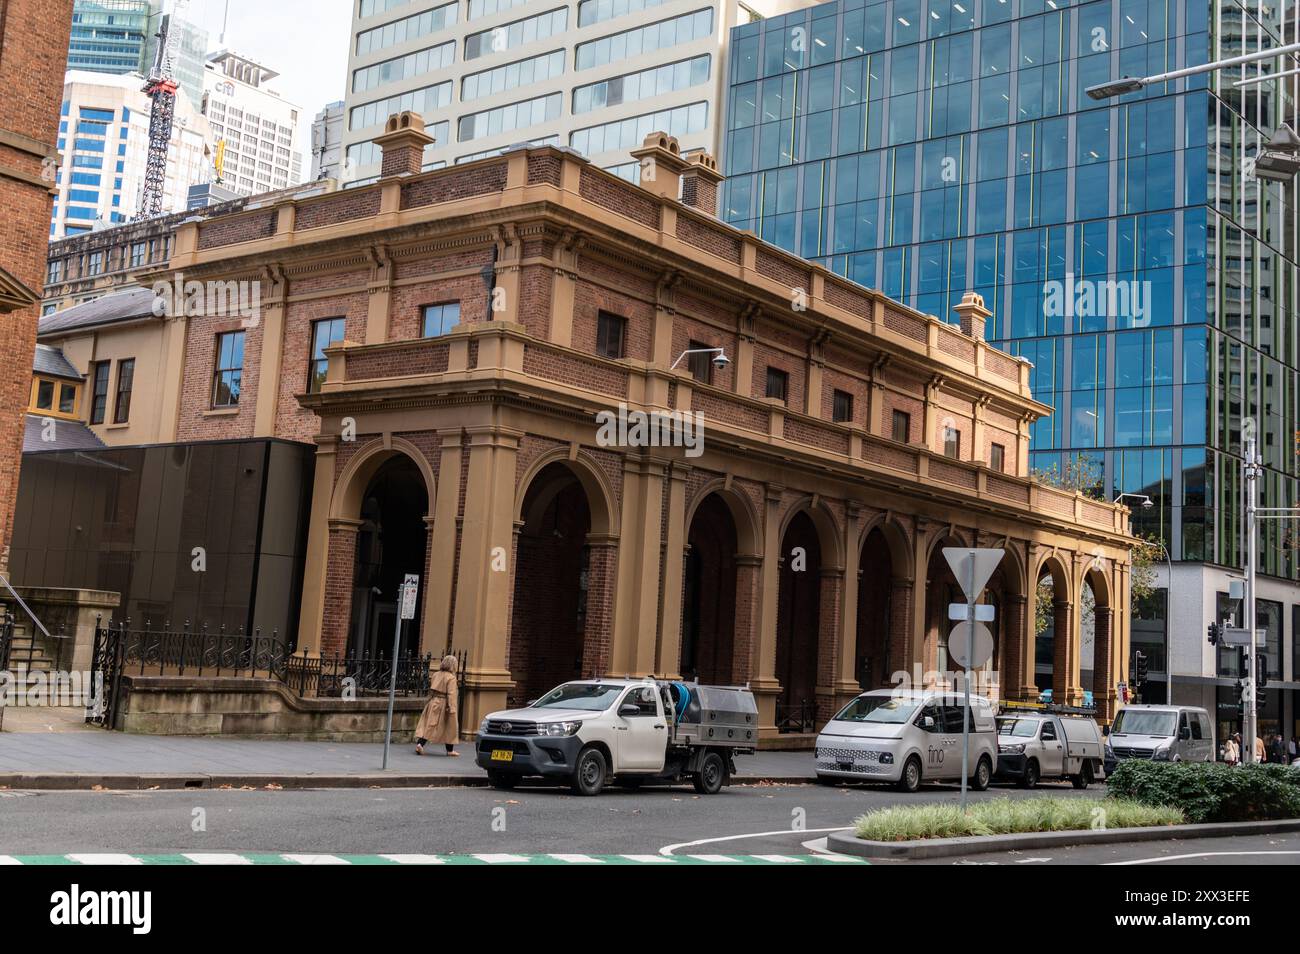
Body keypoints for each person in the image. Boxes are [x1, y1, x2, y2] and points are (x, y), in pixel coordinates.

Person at [414, 655, 460, 757]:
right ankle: (449, 750)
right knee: (450, 726)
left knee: (429, 725)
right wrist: (452, 708)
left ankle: (420, 744)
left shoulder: (436, 674)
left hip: (433, 701)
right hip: (444, 704)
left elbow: (431, 689)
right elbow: (451, 694)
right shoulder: (451, 678)